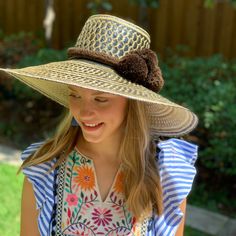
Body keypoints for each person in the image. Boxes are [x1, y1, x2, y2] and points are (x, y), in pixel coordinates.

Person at [0, 14, 198, 236]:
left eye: (101, 99)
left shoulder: (165, 173)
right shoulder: (45, 169)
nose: (84, 112)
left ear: (132, 103)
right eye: (75, 95)